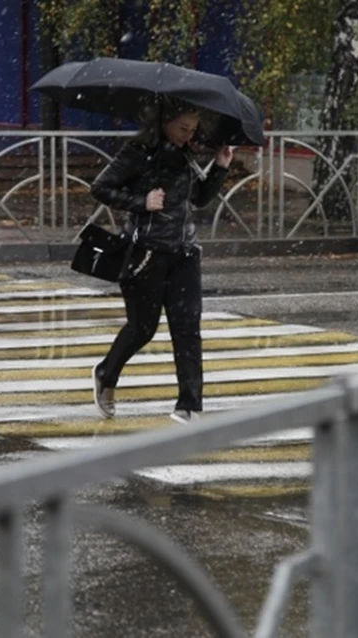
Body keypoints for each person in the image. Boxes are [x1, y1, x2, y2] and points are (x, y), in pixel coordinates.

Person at [89, 99, 234, 424]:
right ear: (165, 122)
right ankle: (105, 374)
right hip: (146, 254)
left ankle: (189, 406)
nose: (188, 135)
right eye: (183, 128)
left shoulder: (184, 154)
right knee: (143, 328)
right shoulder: (139, 151)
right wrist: (142, 201)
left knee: (187, 329)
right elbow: (100, 187)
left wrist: (220, 167)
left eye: (193, 130)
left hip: (184, 253)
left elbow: (197, 197)